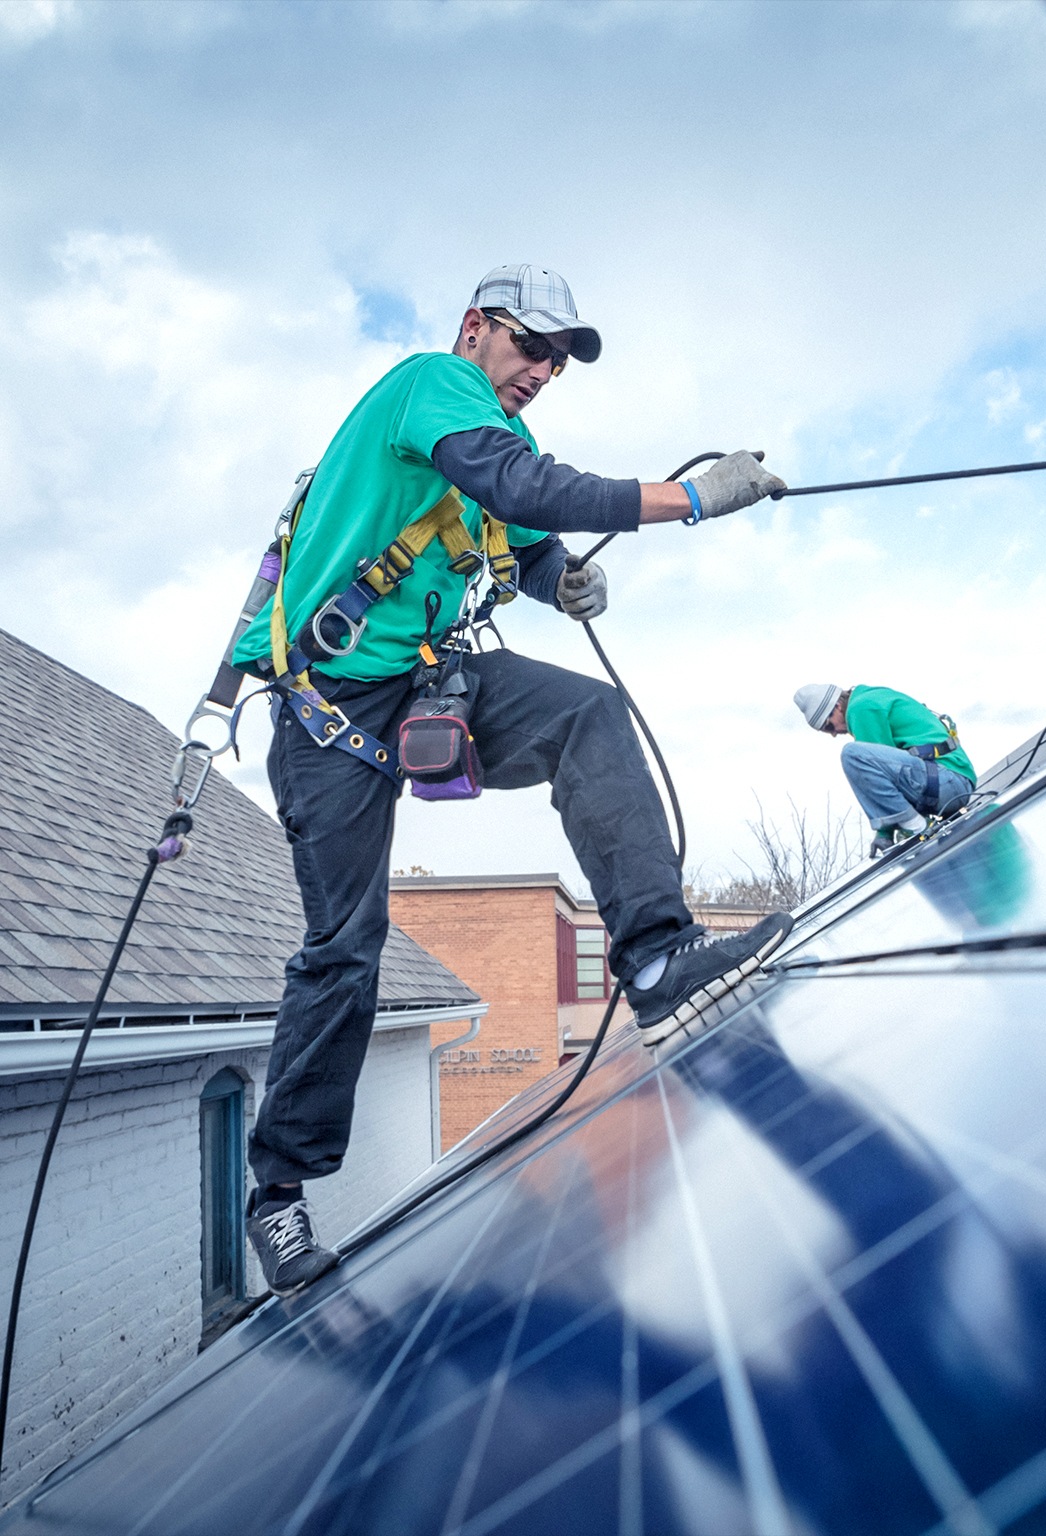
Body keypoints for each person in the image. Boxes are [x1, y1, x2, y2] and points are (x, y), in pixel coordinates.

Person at [231, 263, 793, 1294]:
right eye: (530, 347)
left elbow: (521, 532)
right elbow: (524, 487)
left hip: (427, 687)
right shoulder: (431, 386)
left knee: (589, 714)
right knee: (346, 948)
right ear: (476, 328)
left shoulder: (501, 435)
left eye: (557, 361)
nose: (541, 371)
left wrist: (557, 577)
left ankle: (657, 959)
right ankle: (278, 1197)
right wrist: (693, 500)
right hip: (327, 714)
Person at [795, 683, 976, 855]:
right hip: (951, 782)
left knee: (852, 755)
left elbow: (881, 774)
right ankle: (915, 824)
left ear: (837, 707)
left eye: (828, 726)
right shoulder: (870, 697)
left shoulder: (861, 709)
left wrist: (885, 833)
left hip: (948, 783)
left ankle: (918, 827)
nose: (833, 733)